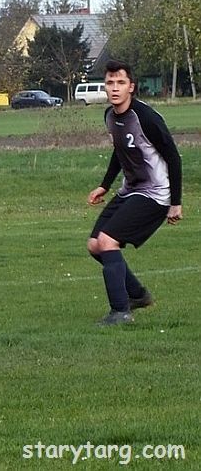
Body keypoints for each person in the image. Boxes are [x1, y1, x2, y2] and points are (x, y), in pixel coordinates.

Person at [87, 59, 183, 326]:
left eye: (121, 83)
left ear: (131, 86)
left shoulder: (146, 118)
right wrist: (104, 185)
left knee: (107, 241)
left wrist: (176, 203)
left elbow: (174, 158)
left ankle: (121, 312)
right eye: (110, 83)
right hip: (130, 191)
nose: (115, 88)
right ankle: (138, 295)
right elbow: (120, 153)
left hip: (155, 194)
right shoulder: (109, 115)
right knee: (95, 246)